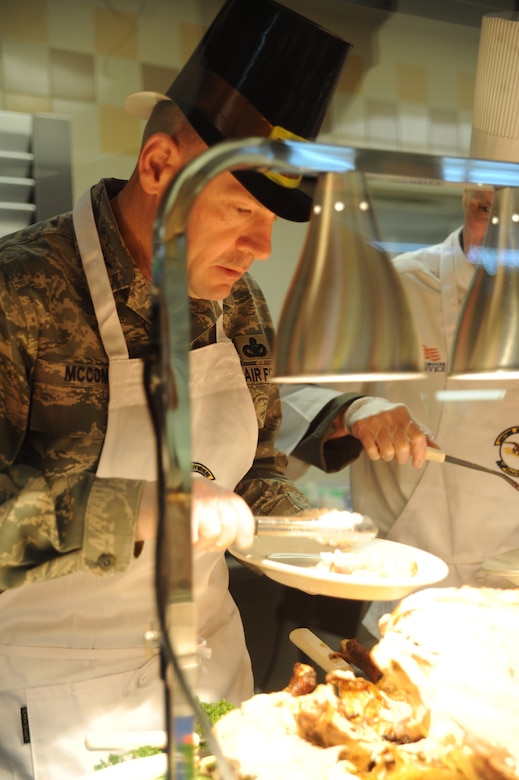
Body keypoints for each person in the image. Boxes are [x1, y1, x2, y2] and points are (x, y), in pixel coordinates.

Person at [0, 1, 430, 777]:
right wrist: (136, 510)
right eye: (240, 210)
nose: (261, 248)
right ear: (160, 164)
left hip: (214, 681)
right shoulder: (20, 292)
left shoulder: (238, 304)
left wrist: (326, 543)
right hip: (56, 705)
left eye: (274, 223)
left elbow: (252, 473)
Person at [280, 185, 519, 640]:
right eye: (484, 210)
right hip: (411, 588)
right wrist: (353, 408)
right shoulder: (391, 288)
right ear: (466, 201)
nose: (501, 233)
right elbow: (280, 408)